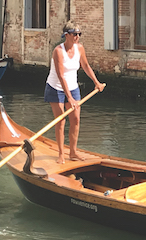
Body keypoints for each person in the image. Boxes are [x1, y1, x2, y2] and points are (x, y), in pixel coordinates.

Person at [44, 21, 105, 164]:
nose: (77, 37)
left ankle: (73, 152)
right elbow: (61, 75)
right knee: (60, 121)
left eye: (79, 34)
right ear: (66, 35)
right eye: (74, 34)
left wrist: (96, 82)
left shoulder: (80, 48)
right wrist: (69, 98)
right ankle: (60, 154)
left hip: (73, 87)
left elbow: (86, 66)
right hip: (56, 88)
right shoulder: (58, 51)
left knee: (76, 120)